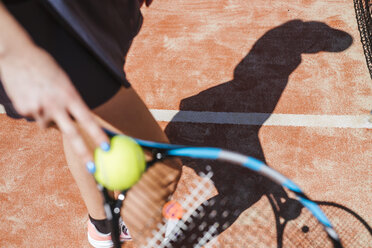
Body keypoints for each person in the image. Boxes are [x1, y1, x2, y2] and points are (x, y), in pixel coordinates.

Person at [0, 0, 181, 247]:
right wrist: (11, 52)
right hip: (37, 30)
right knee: (158, 171)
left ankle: (103, 225)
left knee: (80, 121)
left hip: (76, 17)